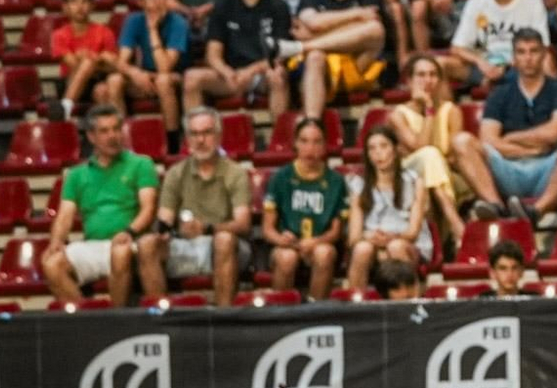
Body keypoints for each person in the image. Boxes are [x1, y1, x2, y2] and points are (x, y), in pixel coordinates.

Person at [452, 29, 557, 222]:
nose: (528, 58)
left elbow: (553, 134)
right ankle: (496, 208)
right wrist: (533, 149)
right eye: (522, 52)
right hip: (506, 169)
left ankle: (536, 211)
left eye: (533, 51)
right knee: (462, 142)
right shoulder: (499, 94)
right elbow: (489, 140)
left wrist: (511, 138)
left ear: (544, 54)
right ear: (514, 57)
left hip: (547, 169)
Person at [41, 105, 157, 308]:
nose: (112, 136)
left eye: (116, 129)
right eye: (104, 131)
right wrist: (56, 241)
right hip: (92, 245)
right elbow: (65, 215)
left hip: (130, 241)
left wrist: (129, 231)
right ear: (92, 136)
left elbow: (148, 209)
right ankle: (87, 319)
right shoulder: (76, 175)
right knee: (51, 263)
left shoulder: (141, 164)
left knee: (120, 253)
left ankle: (116, 319)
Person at [137, 106, 252, 307]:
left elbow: (243, 224)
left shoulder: (235, 172)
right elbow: (165, 219)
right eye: (194, 134)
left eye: (207, 133)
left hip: (226, 244)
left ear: (218, 136)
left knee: (224, 240)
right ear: (187, 139)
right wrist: (165, 231)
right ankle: (163, 317)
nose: (200, 140)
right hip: (185, 243)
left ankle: (223, 318)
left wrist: (207, 228)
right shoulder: (175, 173)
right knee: (147, 244)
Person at [181, 0, 298, 120]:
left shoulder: (278, 6)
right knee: (191, 78)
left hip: (263, 74)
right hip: (232, 76)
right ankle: (196, 138)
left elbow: (279, 55)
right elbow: (213, 54)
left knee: (278, 75)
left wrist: (250, 71)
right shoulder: (223, 6)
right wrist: (228, 72)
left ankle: (279, 142)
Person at [292, 0, 389, 117]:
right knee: (314, 56)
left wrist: (316, 34)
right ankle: (312, 124)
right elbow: (313, 22)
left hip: (358, 67)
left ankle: (307, 46)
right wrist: (357, 15)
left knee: (375, 29)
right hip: (324, 70)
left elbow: (374, 32)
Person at [260, 117, 347, 301]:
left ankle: (315, 314)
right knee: (287, 258)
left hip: (319, 243)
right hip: (286, 245)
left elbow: (336, 231)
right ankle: (279, 315)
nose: (310, 148)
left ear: (325, 146)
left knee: (324, 253)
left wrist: (315, 241)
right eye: (304, 141)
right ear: (295, 144)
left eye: (317, 142)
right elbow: (267, 229)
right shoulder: (280, 178)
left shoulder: (336, 181)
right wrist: (282, 239)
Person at [387, 54, 471, 242]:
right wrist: (429, 110)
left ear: (440, 81)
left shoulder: (451, 111)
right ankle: (453, 220)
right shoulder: (398, 116)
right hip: (412, 175)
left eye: (433, 75)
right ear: (409, 81)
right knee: (429, 155)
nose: (428, 80)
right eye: (421, 75)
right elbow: (421, 148)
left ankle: (444, 237)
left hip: (448, 175)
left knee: (432, 162)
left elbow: (453, 157)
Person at [344, 125, 433, 290]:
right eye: (372, 148)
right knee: (362, 248)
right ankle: (356, 307)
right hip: (372, 241)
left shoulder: (414, 181)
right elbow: (354, 237)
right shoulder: (359, 185)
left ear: (396, 149)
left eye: (384, 146)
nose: (378, 153)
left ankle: (408, 303)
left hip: (407, 243)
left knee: (395, 247)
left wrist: (391, 237)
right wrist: (370, 237)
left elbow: (413, 232)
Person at [99, 0, 187, 130]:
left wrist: (152, 30)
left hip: (176, 77)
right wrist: (135, 73)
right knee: (114, 80)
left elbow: (165, 68)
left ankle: (172, 142)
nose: (158, 1)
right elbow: (122, 61)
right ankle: (122, 137)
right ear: (140, 2)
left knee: (163, 81)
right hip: (146, 75)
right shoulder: (134, 20)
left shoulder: (178, 22)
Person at [449, 0, 549, 87]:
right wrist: (480, 62)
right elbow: (457, 48)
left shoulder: (533, 1)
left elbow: (542, 45)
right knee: (441, 65)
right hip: (484, 65)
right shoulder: (475, 3)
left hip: (520, 64)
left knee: (547, 61)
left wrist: (508, 65)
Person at [51, 0, 119, 121]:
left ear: (92, 5)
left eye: (84, 1)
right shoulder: (59, 35)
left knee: (103, 91)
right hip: (70, 81)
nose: (80, 6)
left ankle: (104, 135)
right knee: (87, 63)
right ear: (65, 7)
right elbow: (73, 64)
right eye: (74, 1)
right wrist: (97, 59)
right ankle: (67, 104)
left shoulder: (104, 32)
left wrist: (91, 59)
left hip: (97, 80)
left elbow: (112, 65)